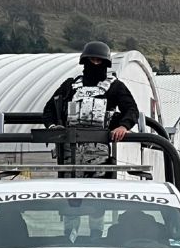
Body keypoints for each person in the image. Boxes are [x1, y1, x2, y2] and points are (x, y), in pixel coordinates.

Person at [42, 40, 140, 177]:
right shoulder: (69, 86)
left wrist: (123, 126)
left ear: (105, 63)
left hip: (101, 156)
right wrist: (53, 127)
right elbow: (49, 110)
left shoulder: (115, 86)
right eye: (92, 60)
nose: (94, 64)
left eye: (99, 60)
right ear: (85, 61)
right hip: (69, 155)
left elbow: (132, 110)